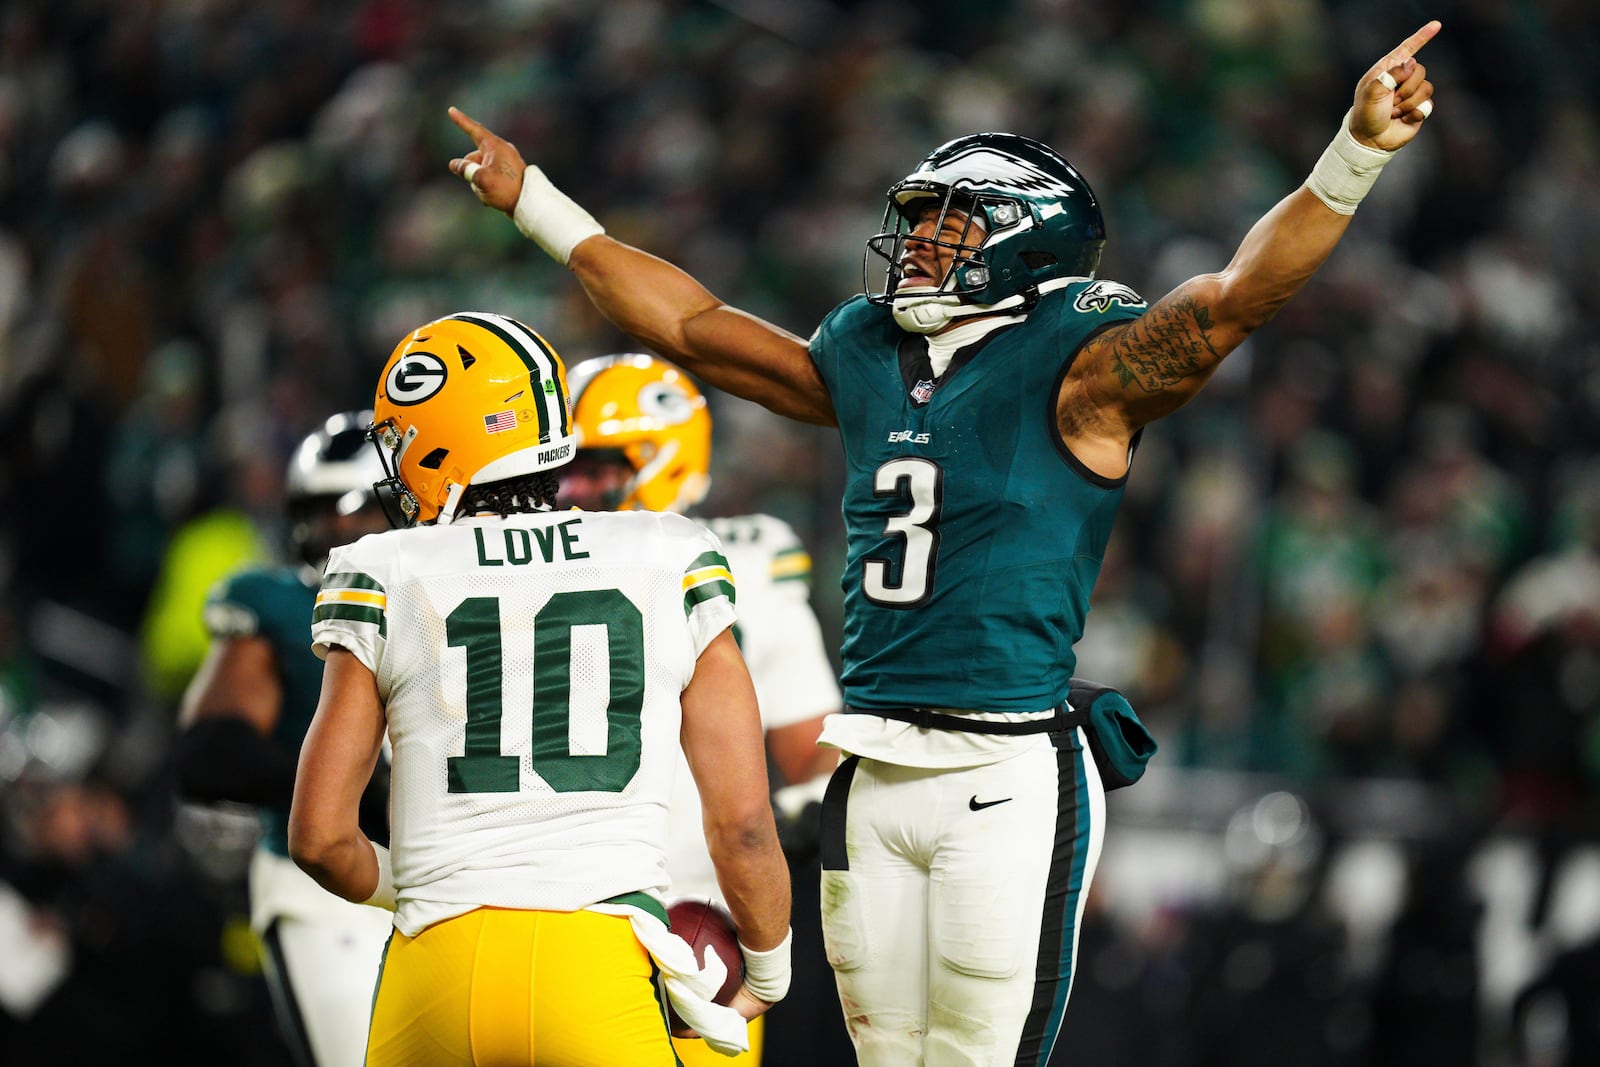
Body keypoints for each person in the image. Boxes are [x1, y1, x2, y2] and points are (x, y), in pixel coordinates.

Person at [446, 21, 1440, 1065]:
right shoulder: (868, 351)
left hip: (1005, 767)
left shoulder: (1082, 364)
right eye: (917, 221)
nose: (919, 242)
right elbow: (691, 326)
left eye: (951, 224)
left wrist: (1355, 151)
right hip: (871, 758)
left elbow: (1237, 299)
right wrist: (536, 203)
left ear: (1028, 238)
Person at [286, 312, 792, 1067]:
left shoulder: (382, 565)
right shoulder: (669, 550)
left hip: (433, 974)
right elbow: (744, 823)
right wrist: (770, 968)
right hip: (596, 968)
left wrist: (429, 890)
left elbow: (321, 838)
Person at [560, 352, 849, 1066]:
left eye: (592, 470)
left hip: (699, 909)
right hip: (560, 893)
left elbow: (810, 747)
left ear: (662, 459)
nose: (569, 491)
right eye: (560, 470)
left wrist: (805, 807)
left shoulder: (747, 557)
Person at [176, 411, 394, 1067]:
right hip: (328, 886)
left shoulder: (458, 590)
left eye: (357, 507)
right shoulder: (280, 602)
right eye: (323, 509)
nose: (340, 528)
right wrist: (355, 791)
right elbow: (211, 751)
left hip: (445, 874)